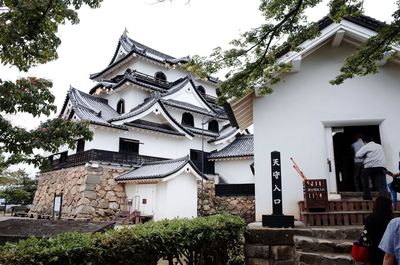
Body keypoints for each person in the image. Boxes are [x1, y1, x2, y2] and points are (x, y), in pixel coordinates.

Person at [364, 196, 394, 265]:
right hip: (387, 250)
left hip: (373, 250)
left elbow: (365, 236)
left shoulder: (370, 218)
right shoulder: (391, 220)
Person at [355, 136, 387, 200]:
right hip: (381, 167)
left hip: (369, 167)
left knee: (364, 179)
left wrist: (364, 156)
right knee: (382, 185)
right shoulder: (379, 146)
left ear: (365, 142)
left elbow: (357, 155)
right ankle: (383, 199)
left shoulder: (366, 146)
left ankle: (367, 196)